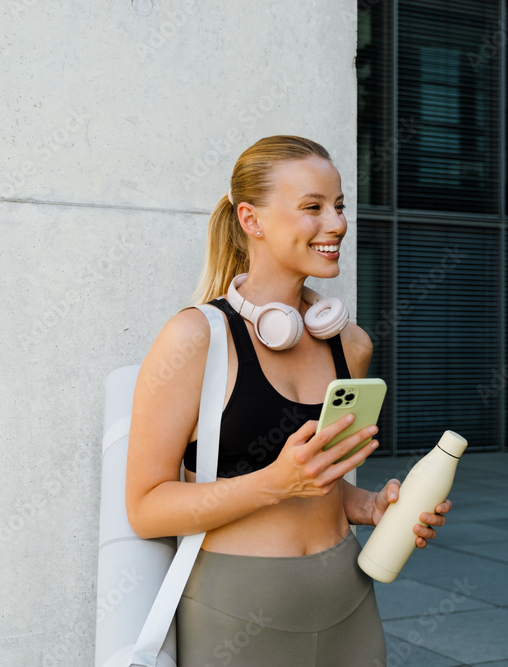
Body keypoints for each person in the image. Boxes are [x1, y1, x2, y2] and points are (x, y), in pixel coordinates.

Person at [125, 135, 452, 666]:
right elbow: (145, 508)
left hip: (348, 599)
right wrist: (274, 484)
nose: (338, 224)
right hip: (236, 611)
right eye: (313, 208)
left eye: (340, 206)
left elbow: (325, 484)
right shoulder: (196, 339)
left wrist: (369, 506)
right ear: (252, 220)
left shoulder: (351, 345)